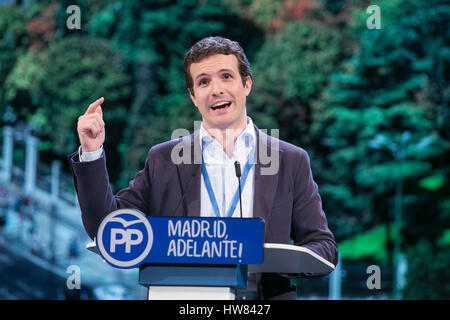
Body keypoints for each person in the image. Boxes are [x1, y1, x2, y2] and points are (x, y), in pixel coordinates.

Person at [68, 36, 338, 300]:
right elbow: (107, 228)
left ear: (247, 85)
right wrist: (92, 152)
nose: (216, 89)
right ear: (194, 96)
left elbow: (324, 248)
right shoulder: (165, 159)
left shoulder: (290, 160)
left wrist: (267, 255)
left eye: (226, 77)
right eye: (204, 82)